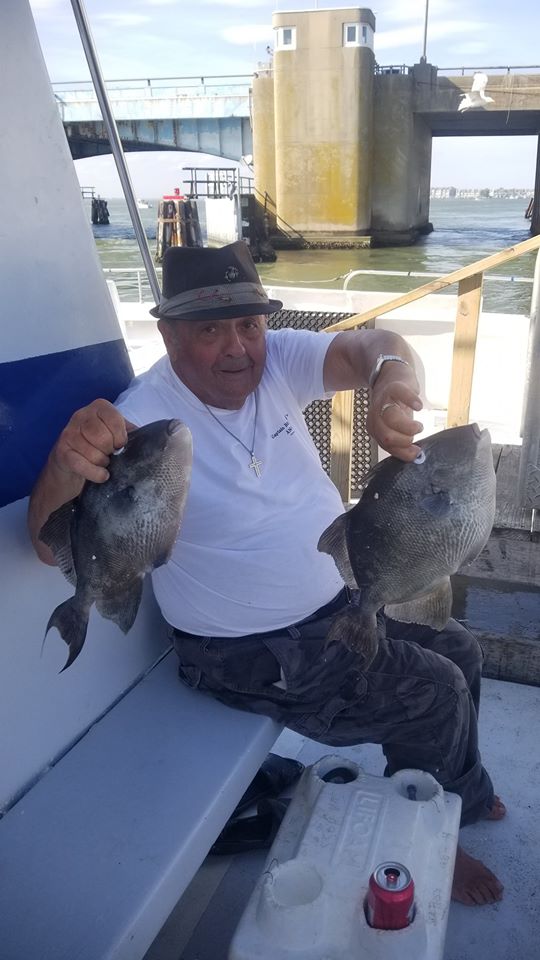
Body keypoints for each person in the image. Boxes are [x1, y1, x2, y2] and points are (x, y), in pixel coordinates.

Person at [28, 240, 504, 907]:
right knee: (437, 691)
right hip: (249, 652)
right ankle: (427, 835)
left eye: (248, 324)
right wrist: (62, 464)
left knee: (460, 649)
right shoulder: (142, 423)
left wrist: (392, 378)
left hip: (337, 604)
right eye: (210, 330)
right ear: (168, 335)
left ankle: (460, 795)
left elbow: (374, 347)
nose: (238, 347)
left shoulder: (273, 359)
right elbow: (47, 545)